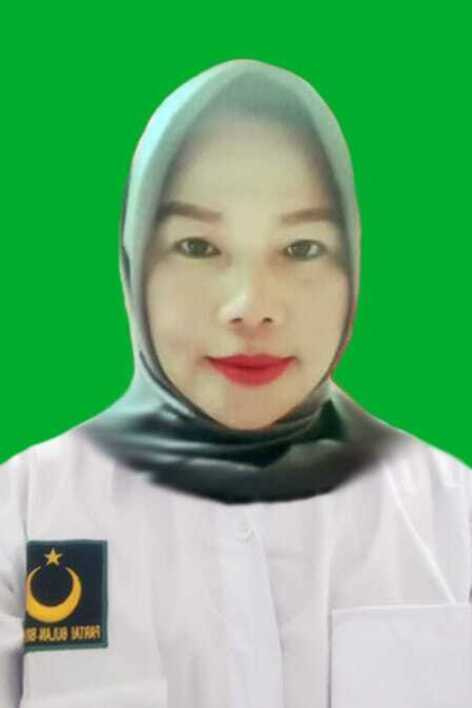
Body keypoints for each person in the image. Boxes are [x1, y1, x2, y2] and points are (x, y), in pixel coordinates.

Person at [1, 59, 471, 708]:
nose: (250, 306)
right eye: (198, 247)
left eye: (301, 249)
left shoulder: (453, 519)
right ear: (133, 261)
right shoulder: (23, 518)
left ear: (354, 265)